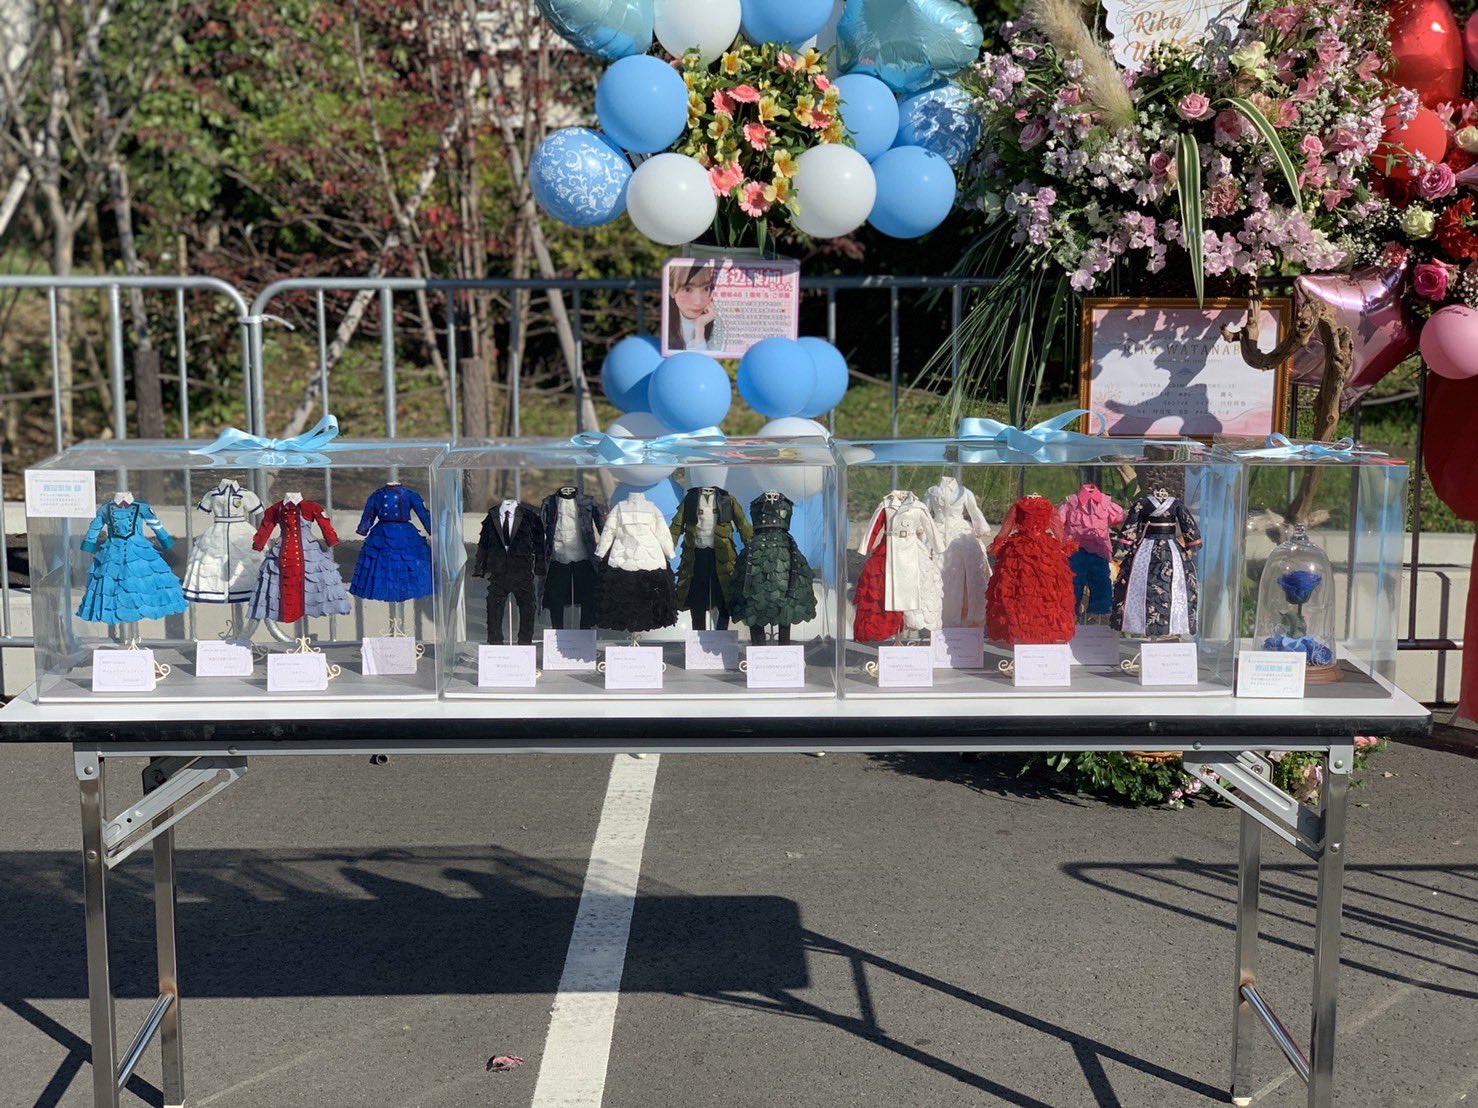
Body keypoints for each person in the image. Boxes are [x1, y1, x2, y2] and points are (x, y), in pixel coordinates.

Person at [666, 262, 727, 353]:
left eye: (706, 288)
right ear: (671, 291)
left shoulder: (717, 323)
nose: (698, 302)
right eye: (687, 289)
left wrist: (700, 328)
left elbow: (705, 359)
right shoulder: (665, 320)